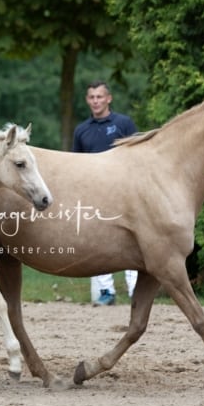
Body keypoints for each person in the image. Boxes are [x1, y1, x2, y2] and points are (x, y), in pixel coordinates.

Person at [72, 80, 138, 306]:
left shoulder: (124, 123)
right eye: (91, 97)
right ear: (87, 100)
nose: (95, 101)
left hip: (124, 191)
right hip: (93, 195)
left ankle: (134, 291)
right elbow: (76, 163)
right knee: (96, 242)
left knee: (131, 240)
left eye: (99, 96)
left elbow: (137, 156)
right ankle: (106, 292)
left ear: (108, 98)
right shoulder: (81, 130)